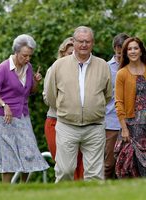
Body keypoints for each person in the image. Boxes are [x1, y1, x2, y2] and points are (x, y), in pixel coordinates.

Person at [45, 26, 112, 182]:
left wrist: (93, 108)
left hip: (94, 126)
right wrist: (67, 109)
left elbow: (107, 94)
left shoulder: (102, 65)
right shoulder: (59, 65)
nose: (84, 45)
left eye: (87, 41)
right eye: (80, 41)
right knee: (65, 171)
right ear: (73, 42)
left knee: (95, 175)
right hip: (67, 125)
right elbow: (50, 95)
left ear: (92, 43)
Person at [0, 34, 49, 183]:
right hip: (4, 118)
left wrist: (35, 81)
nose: (27, 59)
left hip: (22, 115)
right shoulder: (3, 68)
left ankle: (23, 187)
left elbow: (30, 91)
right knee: (8, 154)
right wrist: (4, 105)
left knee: (28, 151)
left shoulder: (29, 68)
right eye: (24, 55)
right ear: (16, 52)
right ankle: (6, 191)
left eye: (30, 56)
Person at [43, 37, 84, 180]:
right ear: (62, 53)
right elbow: (47, 98)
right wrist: (68, 105)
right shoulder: (53, 69)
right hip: (56, 122)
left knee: (82, 166)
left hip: (80, 124)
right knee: (64, 167)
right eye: (69, 53)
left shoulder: (85, 71)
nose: (73, 56)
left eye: (76, 53)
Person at [114, 37, 146, 178]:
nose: (133, 51)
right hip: (132, 125)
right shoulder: (122, 73)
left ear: (141, 51)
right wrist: (124, 128)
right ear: (125, 53)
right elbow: (119, 102)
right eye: (129, 49)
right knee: (132, 165)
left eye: (135, 48)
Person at [105, 33, 129, 179]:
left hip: (132, 122)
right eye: (119, 54)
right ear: (115, 49)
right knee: (109, 164)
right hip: (111, 122)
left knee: (129, 164)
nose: (121, 58)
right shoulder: (105, 68)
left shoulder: (136, 67)